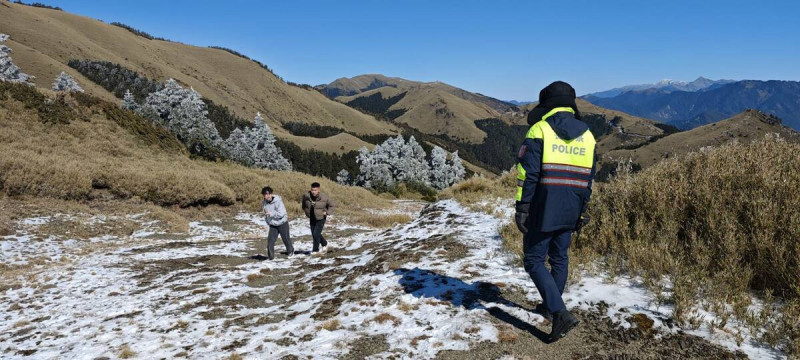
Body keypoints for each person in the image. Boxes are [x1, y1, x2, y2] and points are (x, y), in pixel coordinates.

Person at [513, 81, 597, 342]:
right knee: (559, 258)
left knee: (534, 260)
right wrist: (582, 211)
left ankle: (560, 313)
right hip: (572, 207)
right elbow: (588, 181)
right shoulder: (589, 135)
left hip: (543, 206)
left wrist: (522, 206)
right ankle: (551, 307)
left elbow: (528, 174)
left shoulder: (540, 129)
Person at [302, 182, 336, 253]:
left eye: (315, 190)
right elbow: (304, 204)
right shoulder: (306, 196)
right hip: (312, 217)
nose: (313, 192)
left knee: (316, 234)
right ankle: (325, 244)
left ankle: (315, 250)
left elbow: (332, 205)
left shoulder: (324, 197)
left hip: (321, 218)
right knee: (314, 234)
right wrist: (306, 211)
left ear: (319, 190)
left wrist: (327, 212)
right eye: (312, 190)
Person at [261, 186, 294, 260]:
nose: (267, 196)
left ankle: (290, 251)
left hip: (282, 223)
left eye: (268, 194)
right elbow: (265, 213)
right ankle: (271, 257)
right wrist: (268, 221)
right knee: (270, 241)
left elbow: (281, 213)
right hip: (273, 224)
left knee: (286, 239)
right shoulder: (264, 203)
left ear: (271, 194)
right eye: (265, 194)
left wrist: (271, 214)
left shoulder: (278, 201)